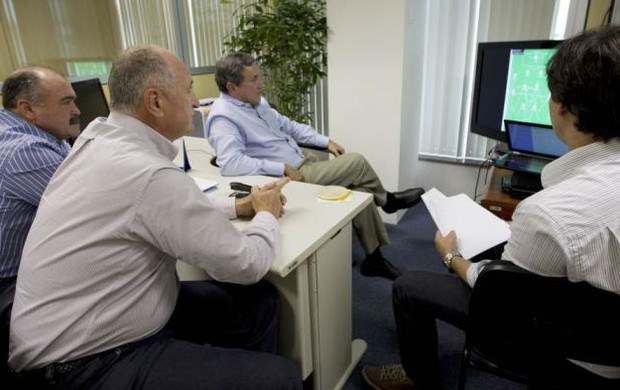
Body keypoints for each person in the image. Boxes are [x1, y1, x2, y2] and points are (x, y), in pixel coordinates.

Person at [9, 46, 301, 389]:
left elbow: (164, 209)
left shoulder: (98, 140)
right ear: (156, 102)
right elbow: (245, 265)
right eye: (189, 88)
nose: (196, 102)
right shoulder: (147, 172)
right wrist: (266, 212)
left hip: (91, 319)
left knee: (258, 303)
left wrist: (240, 207)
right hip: (81, 363)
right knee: (280, 378)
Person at [362, 26, 620, 390]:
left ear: (561, 108)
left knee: (407, 286)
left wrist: (451, 258)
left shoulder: (547, 212)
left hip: (560, 349)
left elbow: (499, 292)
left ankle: (419, 379)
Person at [206, 52, 424, 280]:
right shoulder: (223, 118)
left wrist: (325, 142)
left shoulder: (256, 104)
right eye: (254, 79)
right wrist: (280, 167)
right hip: (294, 177)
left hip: (302, 161)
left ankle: (375, 260)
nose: (261, 84)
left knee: (361, 193)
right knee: (357, 162)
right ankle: (388, 201)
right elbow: (230, 163)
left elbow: (289, 127)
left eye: (260, 76)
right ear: (232, 87)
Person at [0, 67, 81, 382]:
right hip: (10, 282)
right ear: (27, 109)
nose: (76, 111)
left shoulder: (37, 134)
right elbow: (100, 208)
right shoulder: (25, 151)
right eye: (66, 102)